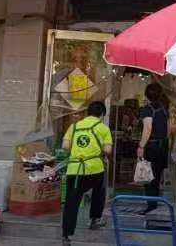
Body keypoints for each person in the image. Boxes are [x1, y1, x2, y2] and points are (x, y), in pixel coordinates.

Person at [61, 101, 113, 245]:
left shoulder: (74, 126)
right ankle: (94, 220)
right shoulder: (103, 128)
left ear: (87, 112)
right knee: (99, 193)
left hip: (74, 170)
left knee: (71, 202)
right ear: (102, 115)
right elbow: (107, 150)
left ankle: (66, 235)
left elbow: (65, 146)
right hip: (95, 169)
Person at [137, 83, 169, 213]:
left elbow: (148, 128)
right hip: (163, 146)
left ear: (146, 95)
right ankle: (154, 203)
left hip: (152, 146)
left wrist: (141, 146)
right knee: (157, 177)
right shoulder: (164, 109)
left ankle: (151, 205)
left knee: (149, 177)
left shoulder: (148, 109)